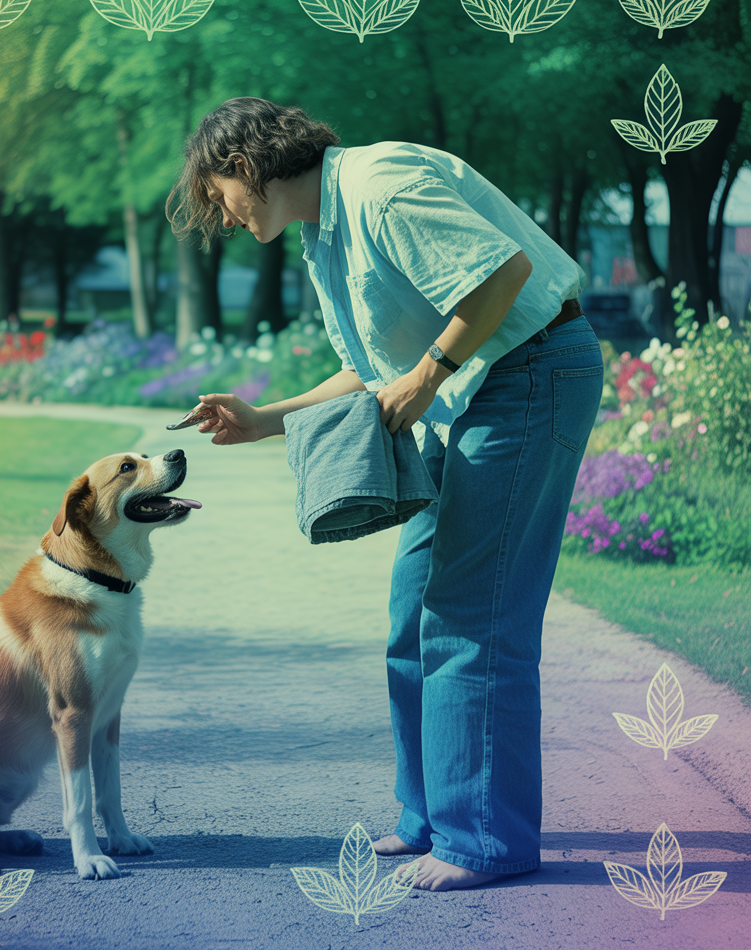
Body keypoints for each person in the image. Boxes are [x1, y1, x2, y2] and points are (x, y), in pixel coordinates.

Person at [165, 97, 603, 891]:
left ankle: (485, 842)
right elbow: (374, 368)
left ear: (244, 167)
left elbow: (504, 274)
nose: (220, 218)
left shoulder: (378, 186)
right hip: (481, 387)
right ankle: (432, 813)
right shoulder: (322, 233)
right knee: (413, 612)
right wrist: (263, 418)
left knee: (476, 612)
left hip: (530, 372)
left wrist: (430, 375)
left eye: (215, 198)